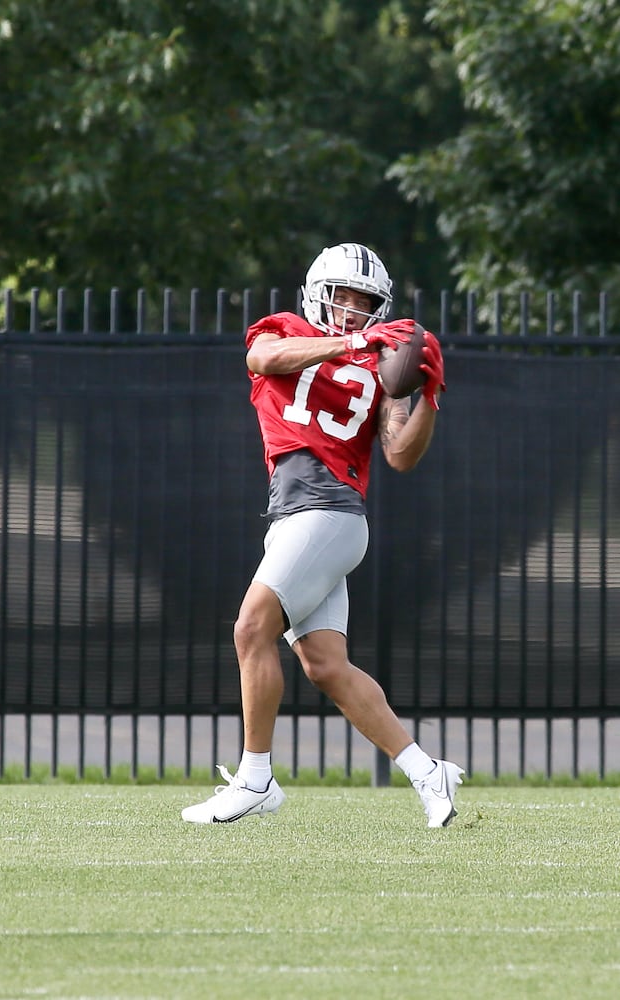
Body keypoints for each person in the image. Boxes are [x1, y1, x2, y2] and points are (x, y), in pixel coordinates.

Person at [181, 242, 465, 828]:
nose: (355, 312)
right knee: (326, 666)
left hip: (330, 512)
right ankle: (427, 773)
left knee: (251, 626)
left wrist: (429, 397)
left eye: (367, 305)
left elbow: (400, 455)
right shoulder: (285, 330)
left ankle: (256, 779)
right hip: (295, 515)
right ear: (317, 294)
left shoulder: (380, 365)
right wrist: (352, 344)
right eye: (345, 298)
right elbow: (266, 359)